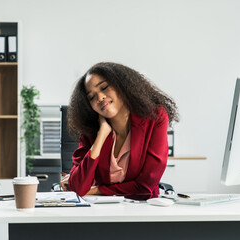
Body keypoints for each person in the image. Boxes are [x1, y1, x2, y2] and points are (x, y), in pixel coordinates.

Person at [60, 62, 179, 197]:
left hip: (142, 209)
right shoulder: (91, 130)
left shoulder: (155, 117)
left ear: (121, 86)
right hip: (101, 212)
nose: (100, 97)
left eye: (104, 87)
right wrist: (101, 136)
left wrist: (95, 190)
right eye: (92, 97)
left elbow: (145, 186)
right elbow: (78, 188)